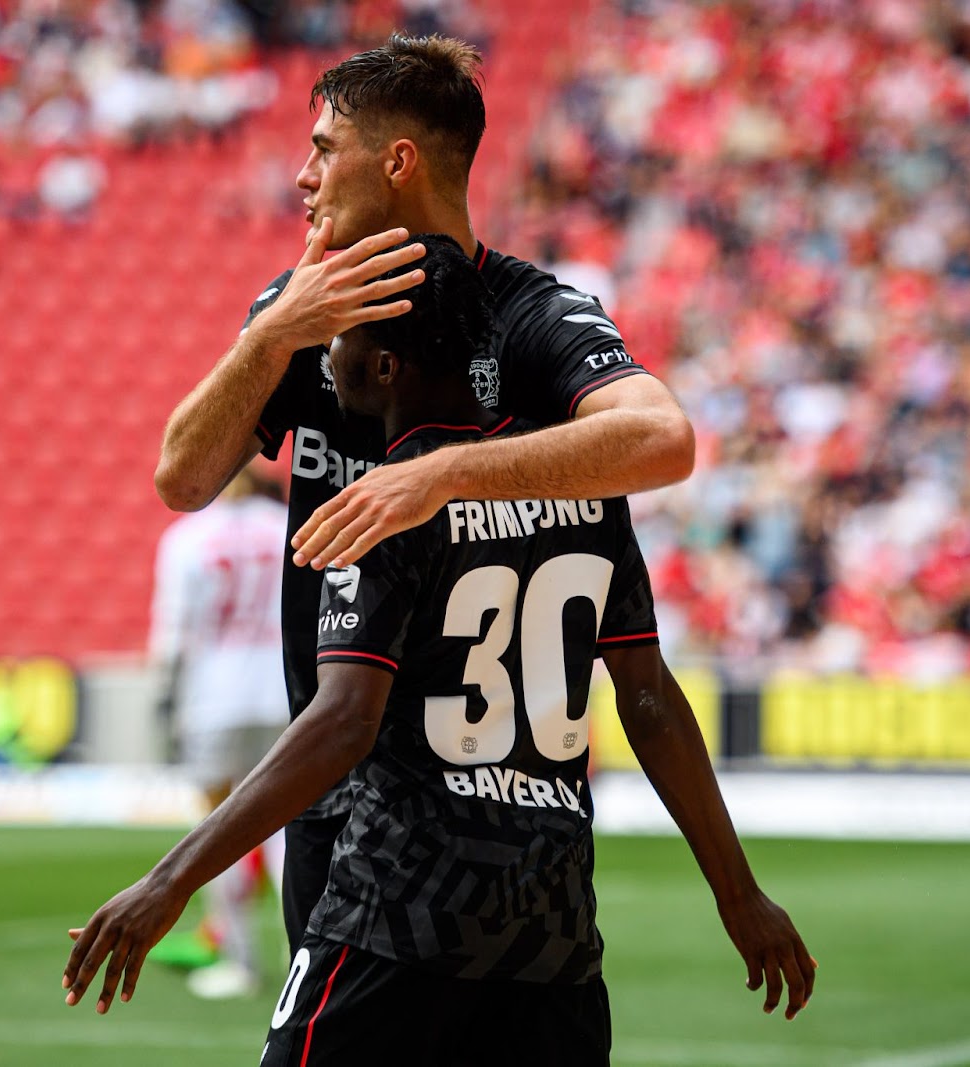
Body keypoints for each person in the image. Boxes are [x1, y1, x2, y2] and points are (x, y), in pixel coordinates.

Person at [62, 238, 813, 1063]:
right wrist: (738, 893)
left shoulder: (382, 501)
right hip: (551, 928)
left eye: (340, 343)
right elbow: (648, 698)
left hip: (398, 908)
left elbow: (344, 720)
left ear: (386, 365)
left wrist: (170, 880)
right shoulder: (585, 487)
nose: (328, 359)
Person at [153, 34, 697, 956]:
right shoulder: (300, 313)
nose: (301, 177)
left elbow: (663, 437)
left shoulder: (529, 314)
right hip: (332, 803)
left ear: (397, 162)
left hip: (490, 823)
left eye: (324, 150)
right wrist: (271, 336)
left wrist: (437, 474)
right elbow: (183, 479)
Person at [144, 462, 290, 1000]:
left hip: (213, 697)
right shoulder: (284, 525)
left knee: (214, 828)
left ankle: (239, 959)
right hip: (280, 689)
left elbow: (173, 629)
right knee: (285, 828)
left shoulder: (187, 537)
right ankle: (302, 948)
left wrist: (165, 700)